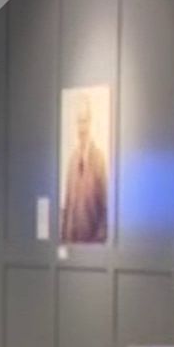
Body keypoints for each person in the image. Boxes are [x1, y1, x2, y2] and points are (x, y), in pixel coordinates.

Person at [59, 93, 108, 245]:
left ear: (90, 122)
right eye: (78, 121)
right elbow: (67, 206)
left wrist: (96, 244)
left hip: (91, 246)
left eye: (84, 121)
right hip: (70, 246)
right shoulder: (72, 161)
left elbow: (105, 209)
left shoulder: (99, 159)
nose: (81, 127)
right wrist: (64, 241)